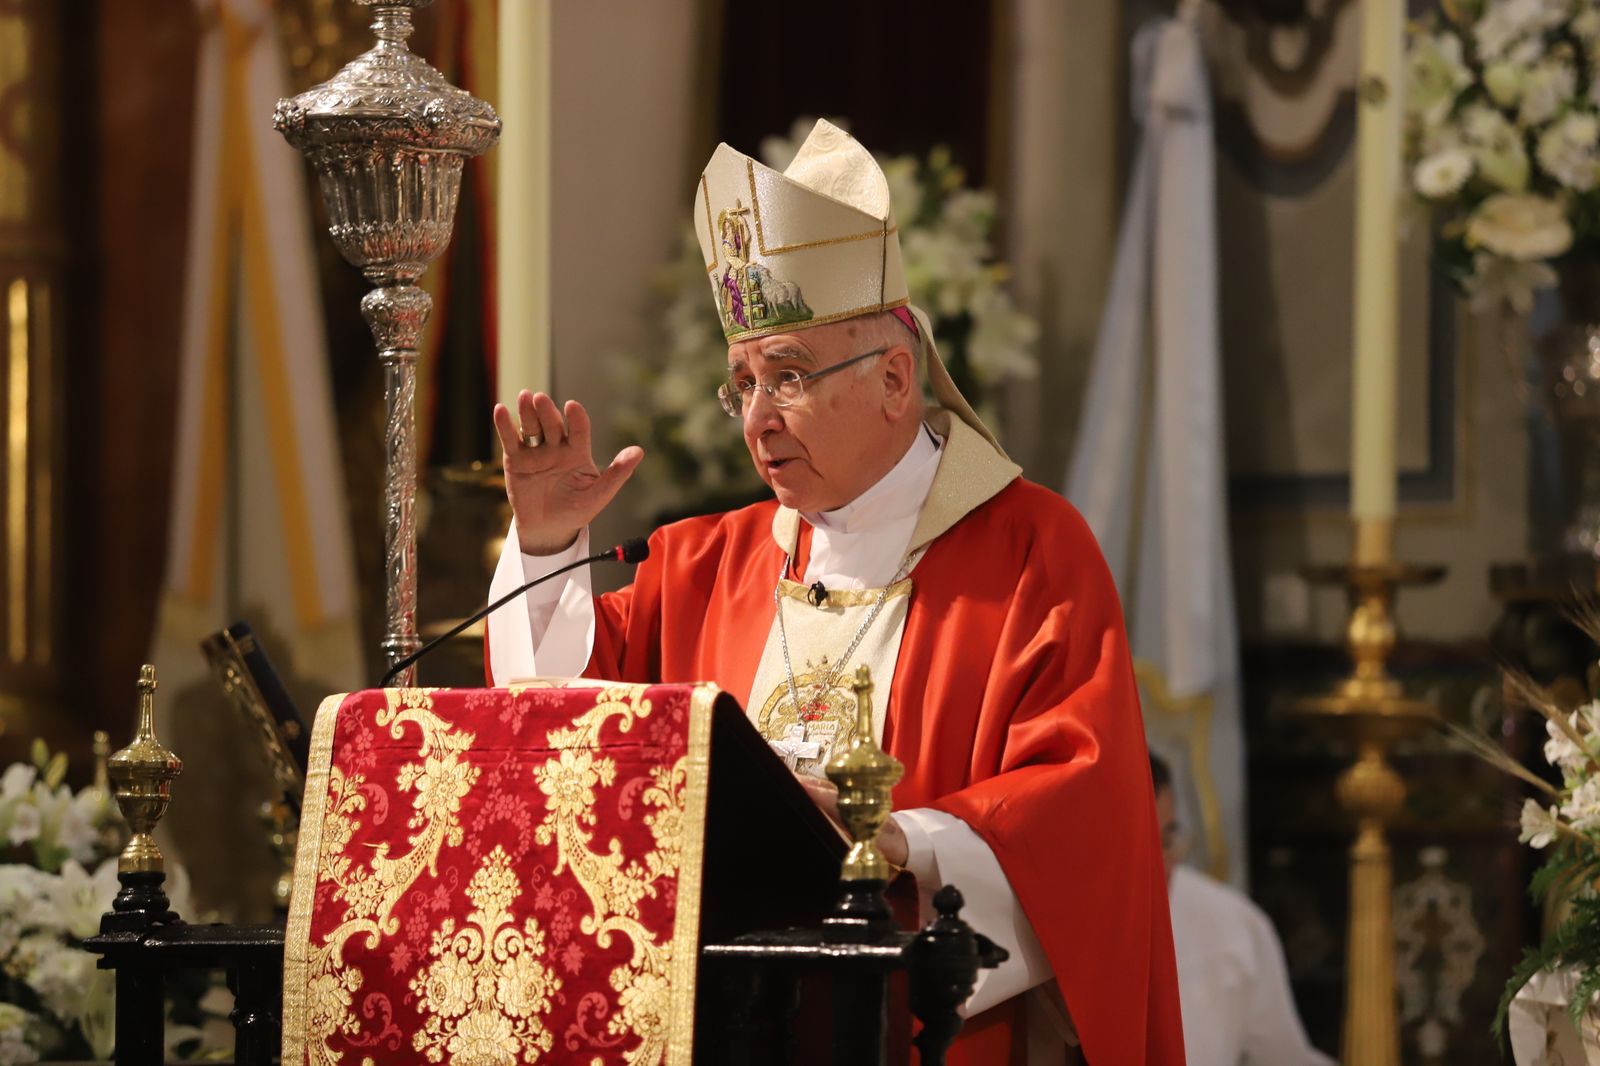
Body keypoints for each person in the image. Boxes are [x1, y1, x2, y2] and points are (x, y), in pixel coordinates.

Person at [486, 119, 1184, 1065]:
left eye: (788, 376)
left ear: (896, 378)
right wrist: (545, 541)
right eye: (742, 383)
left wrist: (896, 842)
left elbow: (1085, 819)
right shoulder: (700, 563)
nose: (758, 419)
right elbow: (552, 729)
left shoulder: (1030, 552)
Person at [1151, 754, 1333, 1066]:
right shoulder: (1059, 935)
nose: (1160, 868)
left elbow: (1281, 1058)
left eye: (1167, 841)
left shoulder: (1229, 923)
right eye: (1138, 845)